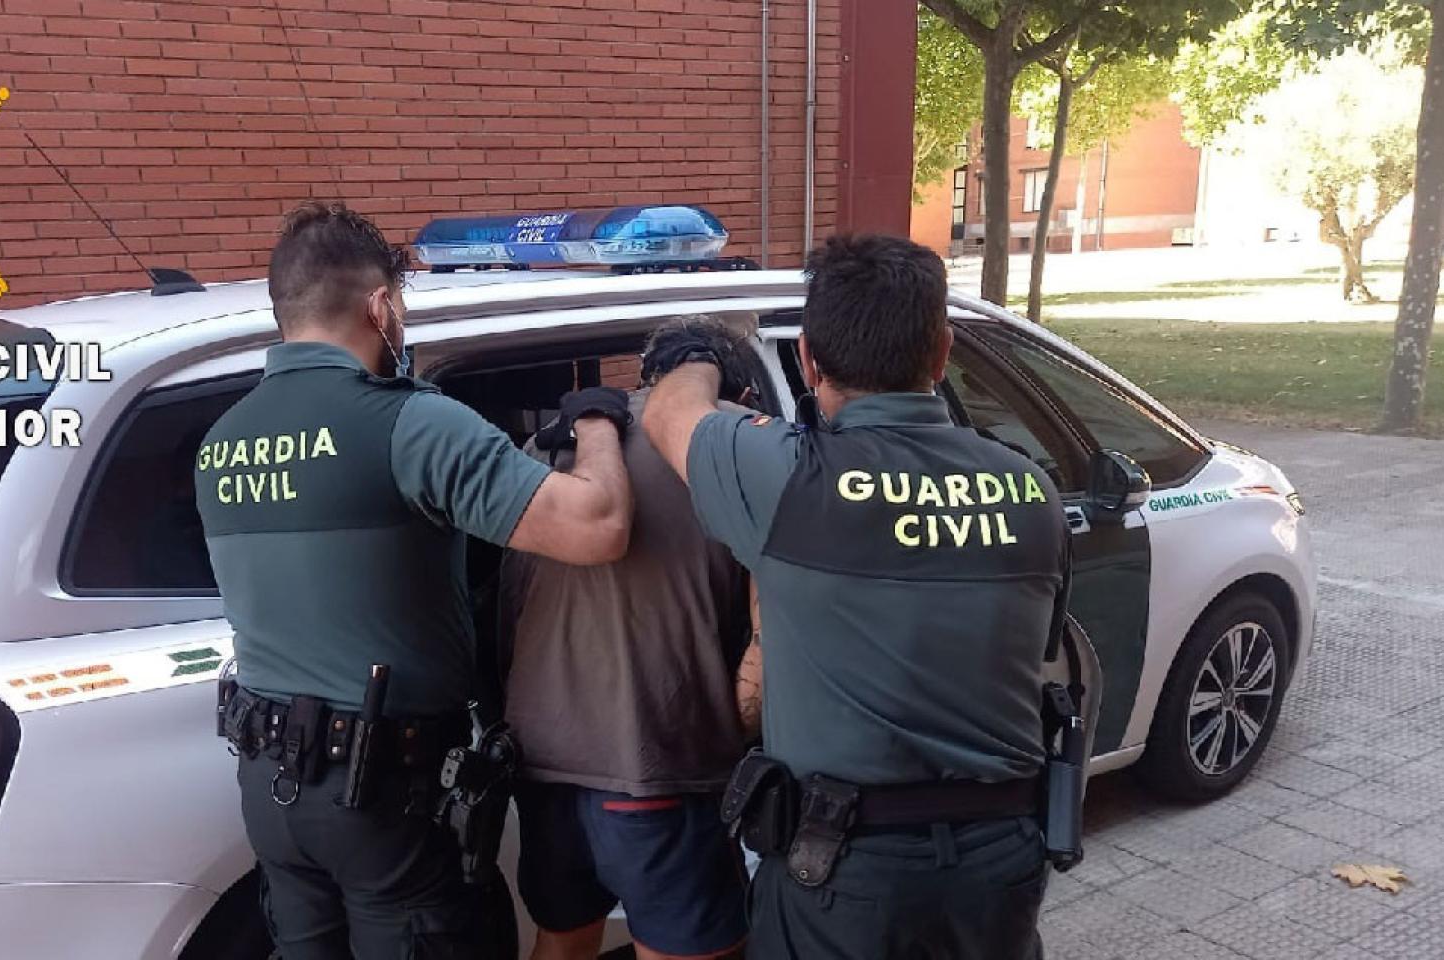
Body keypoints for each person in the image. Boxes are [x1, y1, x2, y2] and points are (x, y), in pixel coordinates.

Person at [194, 201, 634, 960]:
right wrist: (598, 421)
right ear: (381, 306)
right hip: (383, 795)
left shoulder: (220, 441)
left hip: (271, 789)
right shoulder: (411, 424)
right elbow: (596, 527)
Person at [642, 234, 1071, 960]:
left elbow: (667, 414)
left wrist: (700, 350)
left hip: (845, 874)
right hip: (1000, 865)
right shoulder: (1032, 489)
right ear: (942, 353)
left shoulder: (788, 479)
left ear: (808, 360)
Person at [501, 318, 765, 960]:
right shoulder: (739, 446)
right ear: (738, 390)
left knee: (562, 941)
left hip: (544, 763)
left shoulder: (552, 442)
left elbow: (506, 610)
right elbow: (775, 636)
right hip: (654, 762)